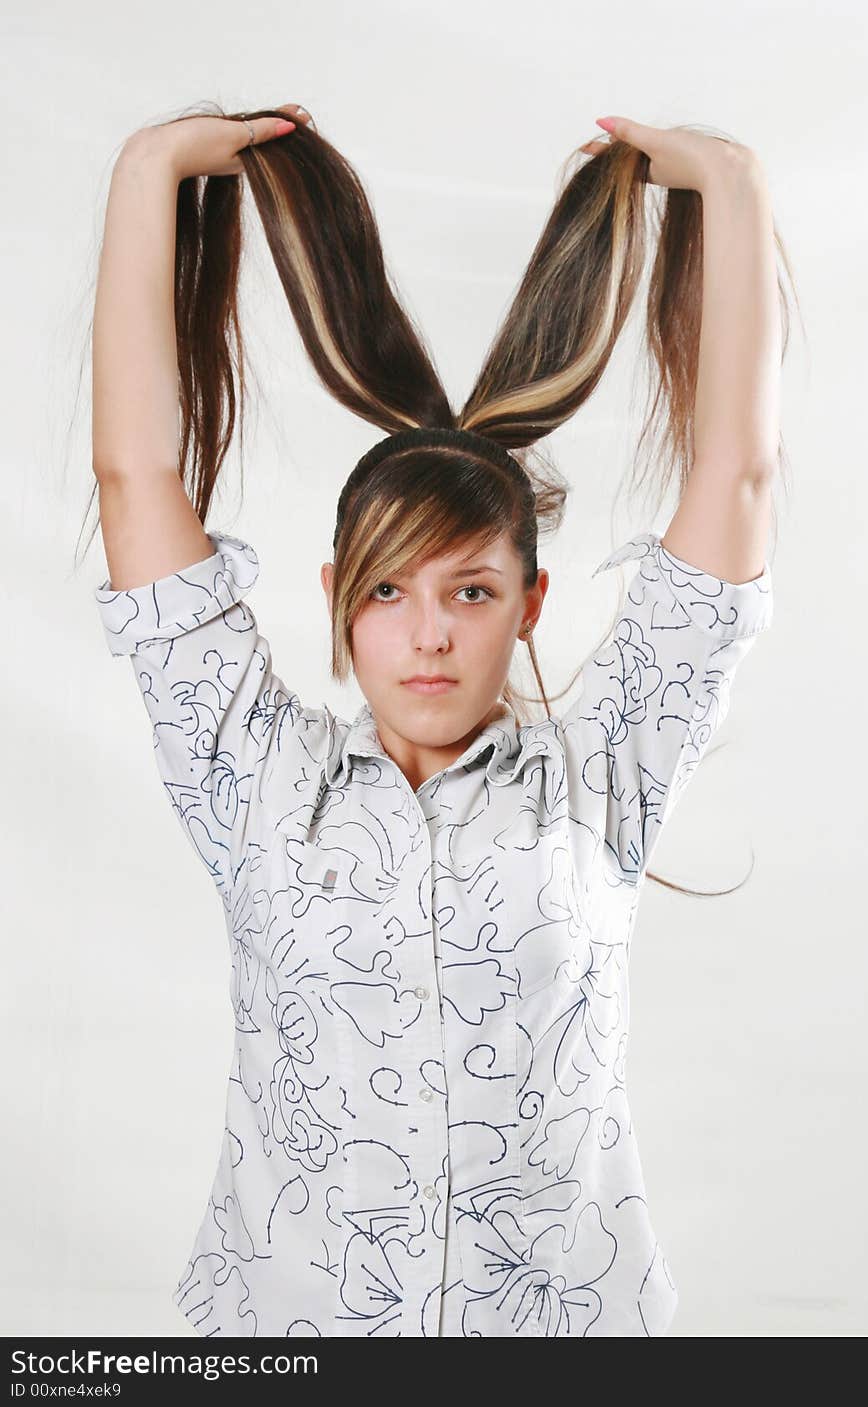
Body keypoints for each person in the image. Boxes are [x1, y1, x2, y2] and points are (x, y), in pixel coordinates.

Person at [89, 104, 788, 1337]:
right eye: (387, 589)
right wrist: (150, 170)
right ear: (337, 603)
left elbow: (734, 474)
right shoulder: (251, 778)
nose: (427, 633)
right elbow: (134, 478)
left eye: (470, 590)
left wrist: (725, 184)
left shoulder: (605, 774)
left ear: (529, 603)